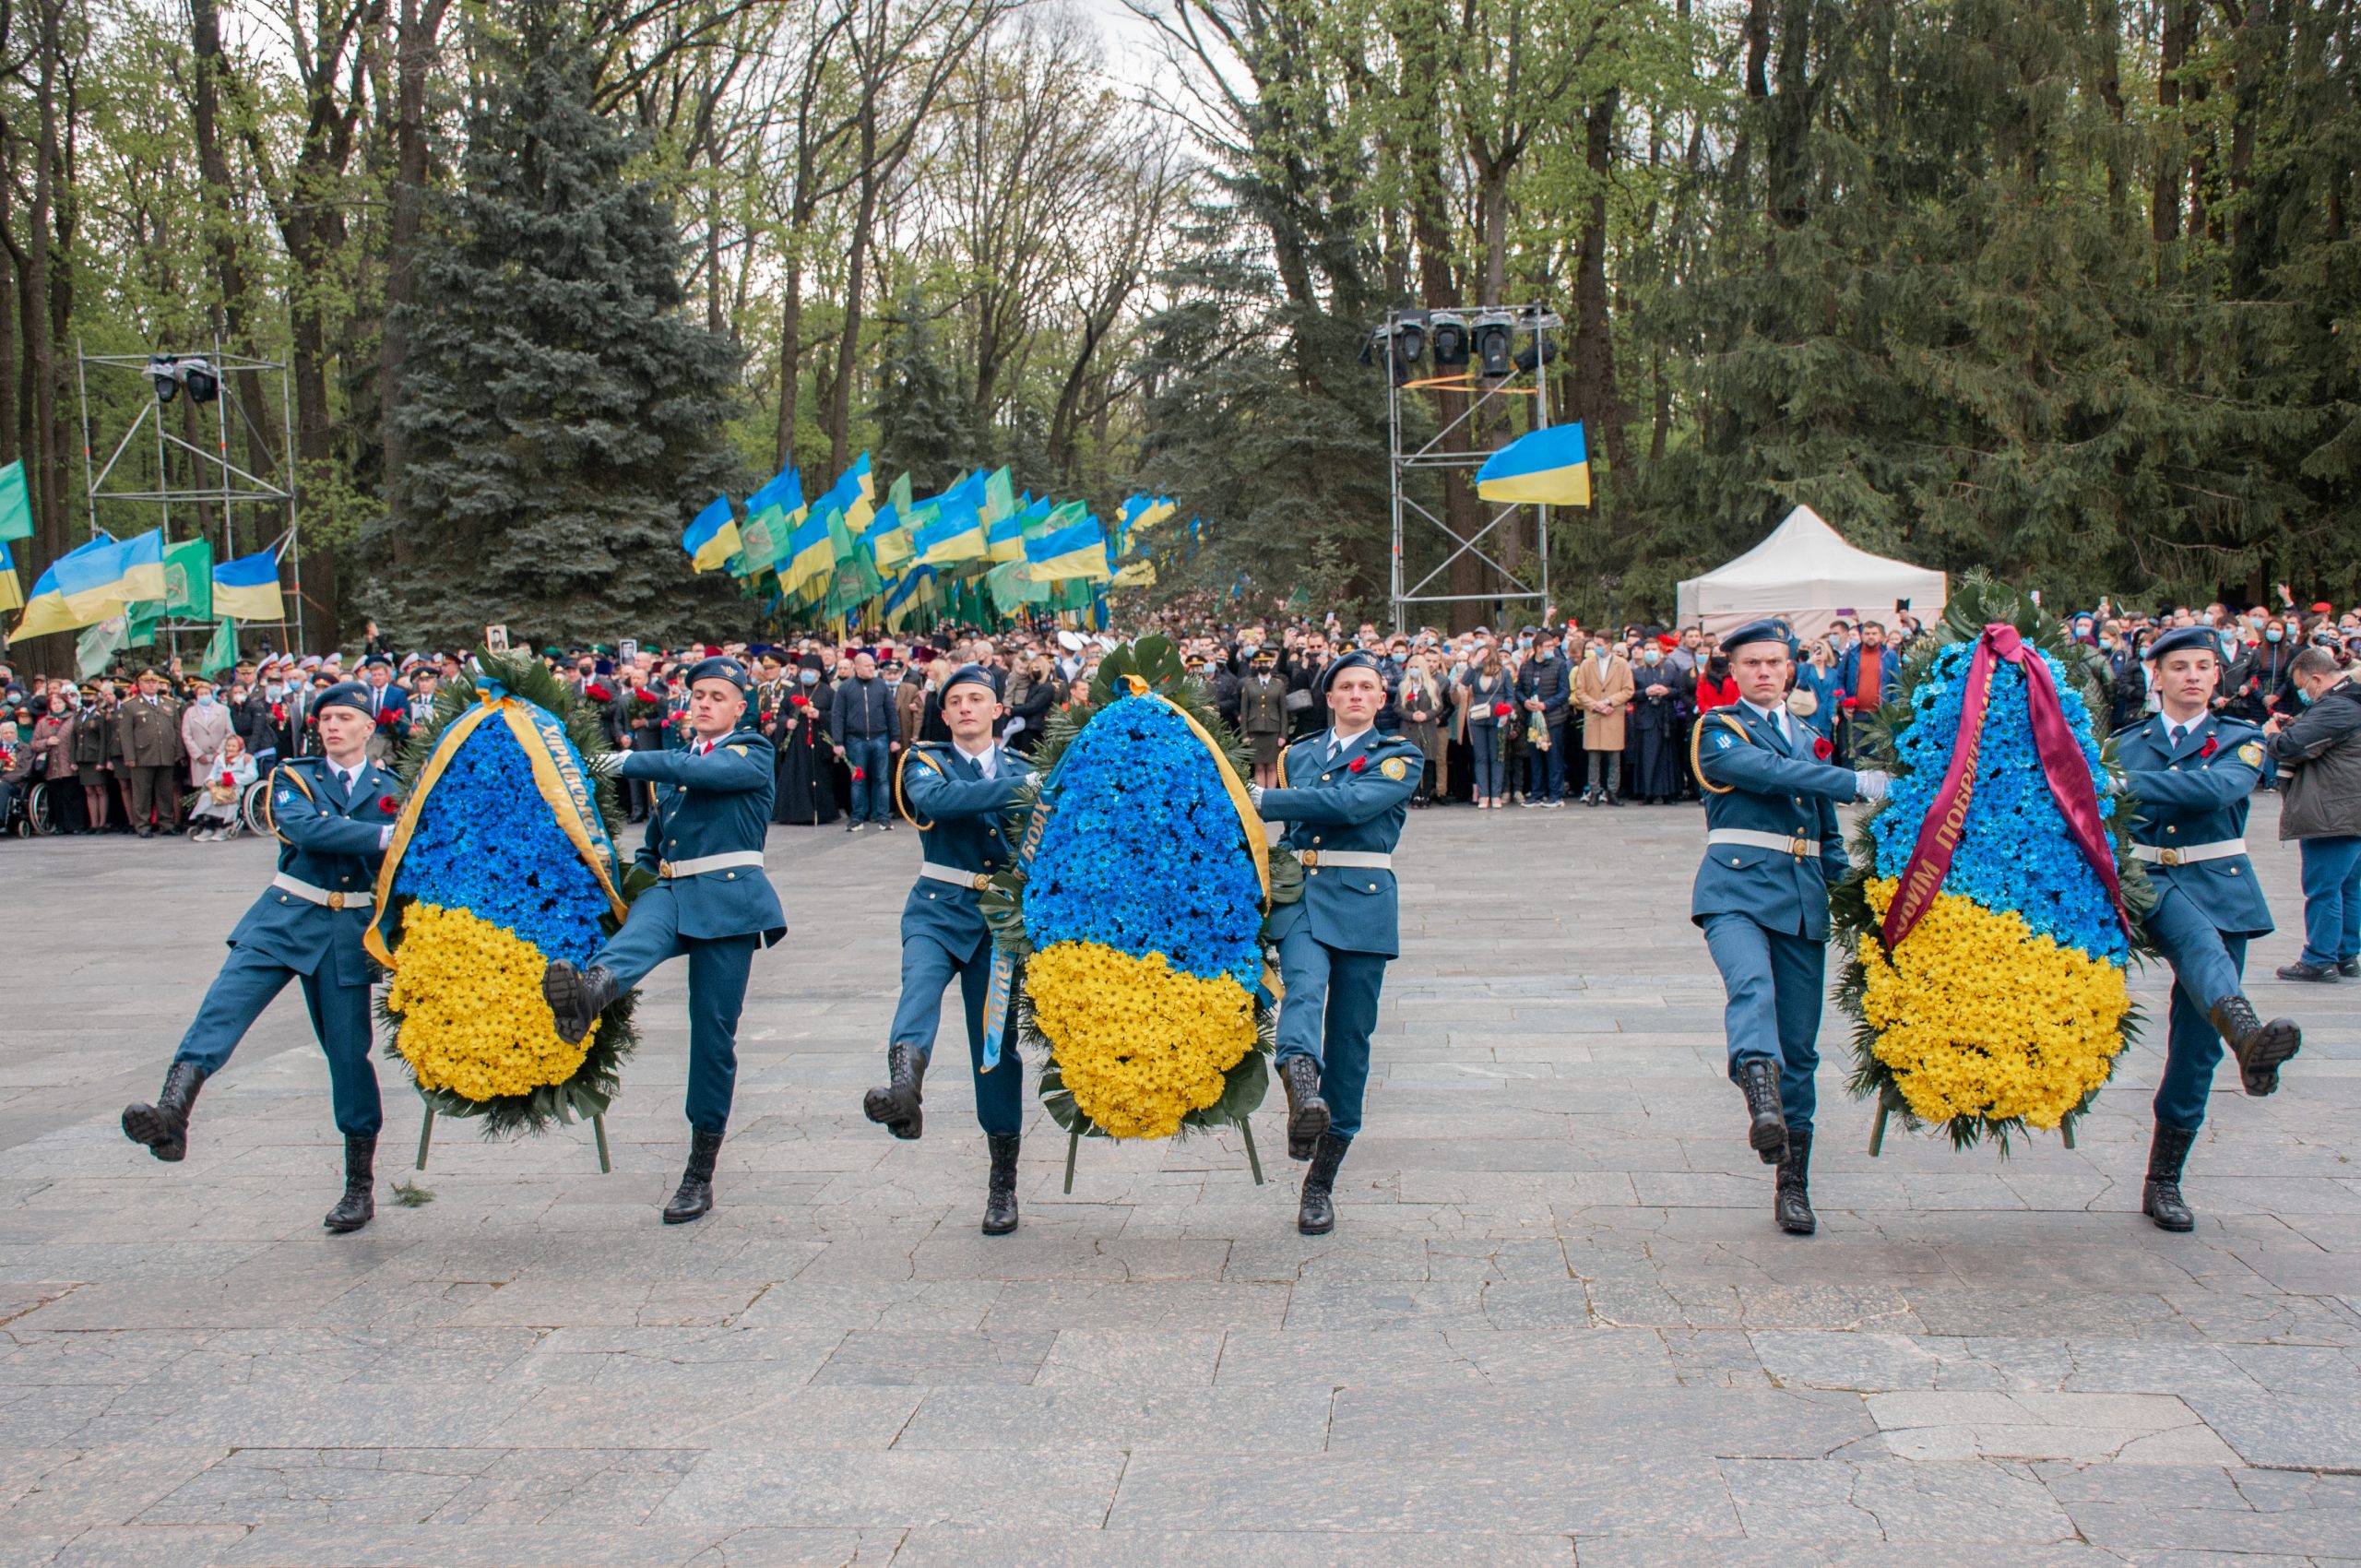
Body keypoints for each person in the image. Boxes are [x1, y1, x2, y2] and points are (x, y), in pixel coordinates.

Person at [121, 683, 403, 1231]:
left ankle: (359, 1186)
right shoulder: (295, 777)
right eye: (325, 718)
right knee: (225, 1003)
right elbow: (305, 829)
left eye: (345, 717)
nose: (332, 726)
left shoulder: (393, 787)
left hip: (348, 932)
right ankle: (172, 1113)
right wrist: (389, 834)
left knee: (349, 1056)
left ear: (369, 729)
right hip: (286, 915)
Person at [544, 657, 786, 1224]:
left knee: (713, 1038)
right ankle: (588, 993)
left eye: (717, 696)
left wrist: (620, 759)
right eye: (697, 694)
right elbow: (655, 845)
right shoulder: (677, 770)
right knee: (640, 933)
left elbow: (706, 774)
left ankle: (699, 1171)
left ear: (740, 707)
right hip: (672, 890)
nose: (704, 703)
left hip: (728, 900)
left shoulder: (751, 751)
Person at [1691, 620, 1890, 1237]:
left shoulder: (1808, 735)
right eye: (1752, 663)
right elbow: (1771, 774)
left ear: (1791, 668)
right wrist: (1858, 781)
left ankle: (1792, 1183)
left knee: (1800, 1048)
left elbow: (1826, 836)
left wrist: (1865, 905)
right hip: (1736, 891)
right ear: (1734, 672)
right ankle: (1761, 1097)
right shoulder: (1719, 730)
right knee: (1752, 987)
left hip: (1801, 900)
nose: (1765, 672)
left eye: (1775, 662)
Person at [2110, 625, 2303, 1232]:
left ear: (2218, 677)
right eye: (2179, 667)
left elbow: (2218, 790)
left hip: (2217, 884)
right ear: (2157, 677)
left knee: (2194, 1049)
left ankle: (2164, 1180)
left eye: (2203, 666)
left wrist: (2121, 783)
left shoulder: (2241, 739)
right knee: (2197, 938)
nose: (2192, 676)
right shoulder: (2126, 742)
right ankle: (2245, 1033)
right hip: (2146, 886)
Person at [1247, 652, 1422, 1235]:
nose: (1354, 694)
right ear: (1329, 697)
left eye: (1365, 687)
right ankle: (1301, 1090)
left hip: (1365, 900)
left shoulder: (1399, 756)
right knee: (1303, 985)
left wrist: (1261, 799)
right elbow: (1297, 832)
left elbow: (1351, 805)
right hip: (1301, 895)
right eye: (1344, 686)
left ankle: (1320, 1180)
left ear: (1381, 698)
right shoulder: (1299, 753)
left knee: (1350, 1039)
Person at [862, 665, 1036, 1234]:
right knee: (919, 986)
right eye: (956, 700)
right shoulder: (924, 761)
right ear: (945, 715)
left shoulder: (1024, 767)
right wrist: (1031, 790)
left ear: (997, 711)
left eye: (977, 699)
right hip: (937, 907)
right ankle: (904, 1087)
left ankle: (1002, 1182)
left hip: (998, 925)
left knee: (995, 1047)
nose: (965, 708)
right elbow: (939, 801)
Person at [2263, 646, 2361, 982]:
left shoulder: (2338, 706)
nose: (2305, 694)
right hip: (2349, 811)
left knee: (2323, 888)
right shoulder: (2352, 701)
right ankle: (2345, 954)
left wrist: (2274, 734)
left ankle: (2319, 958)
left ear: (2317, 678)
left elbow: (2289, 747)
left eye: (2304, 687)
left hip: (2331, 813)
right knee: (2348, 886)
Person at [832, 648, 902, 827]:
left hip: (880, 738)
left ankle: (883, 815)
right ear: (856, 667)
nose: (872, 668)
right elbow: (838, 715)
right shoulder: (845, 688)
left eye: (873, 665)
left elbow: (890, 713)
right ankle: (857, 816)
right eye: (868, 665)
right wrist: (838, 742)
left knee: (882, 779)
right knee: (857, 780)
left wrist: (895, 738)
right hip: (855, 740)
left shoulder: (881, 686)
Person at [116, 668, 184, 836]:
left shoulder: (169, 704)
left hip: (165, 753)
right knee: (142, 793)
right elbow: (126, 734)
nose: (152, 685)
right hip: (142, 755)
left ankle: (166, 823)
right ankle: (142, 825)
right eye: (147, 681)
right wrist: (130, 756)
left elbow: (176, 729)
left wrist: (179, 752)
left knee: (165, 791)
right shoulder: (130, 706)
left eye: (154, 681)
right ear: (139, 684)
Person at [1516, 627, 1572, 806]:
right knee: (1535, 757)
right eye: (1547, 646)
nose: (1551, 648)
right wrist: (1525, 702)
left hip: (1553, 719)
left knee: (1553, 756)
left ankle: (1555, 794)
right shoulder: (1526, 666)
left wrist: (1546, 705)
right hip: (1532, 720)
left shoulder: (1559, 665)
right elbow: (1519, 691)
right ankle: (1537, 792)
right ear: (1538, 648)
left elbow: (1564, 692)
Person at [1575, 635, 1634, 805]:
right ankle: (1594, 791)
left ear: (1609, 645)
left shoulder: (1621, 664)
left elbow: (1628, 690)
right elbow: (1580, 691)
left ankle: (1612, 791)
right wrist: (1595, 705)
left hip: (1613, 713)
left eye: (1600, 645)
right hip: (1594, 714)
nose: (1597, 648)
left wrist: (1610, 701)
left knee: (1614, 757)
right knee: (1593, 757)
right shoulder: (1587, 664)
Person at [1629, 638, 1688, 803]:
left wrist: (1667, 691)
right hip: (1646, 718)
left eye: (1653, 649)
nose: (1650, 652)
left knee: (1667, 758)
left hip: (1666, 719)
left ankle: (1669, 792)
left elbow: (1679, 691)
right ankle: (1648, 792)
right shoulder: (1637, 672)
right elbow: (1631, 694)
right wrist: (1645, 692)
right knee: (1648, 757)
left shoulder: (1670, 670)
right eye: (1647, 649)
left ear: (1661, 652)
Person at [1461, 646, 1514, 809]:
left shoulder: (1503, 673)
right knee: (1481, 757)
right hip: (1478, 718)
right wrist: (1474, 663)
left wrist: (1506, 712)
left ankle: (1496, 794)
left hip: (1497, 719)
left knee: (1497, 757)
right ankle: (1484, 795)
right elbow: (1464, 682)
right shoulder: (1475, 672)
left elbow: (1510, 696)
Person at [1395, 652, 1446, 806]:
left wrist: (1426, 715)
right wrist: (1411, 715)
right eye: (1411, 667)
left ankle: (1426, 794)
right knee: (1411, 762)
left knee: (1428, 760)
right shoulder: (1404, 686)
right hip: (1409, 728)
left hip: (1427, 727)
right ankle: (1415, 794)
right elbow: (1397, 707)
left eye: (1416, 667)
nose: (1413, 670)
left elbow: (1438, 706)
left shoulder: (1432, 685)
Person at [188, 734, 259, 842]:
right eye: (228, 746)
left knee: (226, 798)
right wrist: (209, 781)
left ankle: (222, 826)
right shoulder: (220, 758)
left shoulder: (246, 759)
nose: (230, 748)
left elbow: (252, 775)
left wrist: (234, 780)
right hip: (219, 786)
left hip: (234, 787)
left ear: (239, 747)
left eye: (233, 746)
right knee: (206, 796)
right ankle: (208, 826)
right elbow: (213, 773)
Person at [1239, 647, 1291, 788]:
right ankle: (1261, 798)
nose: (1263, 665)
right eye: (1260, 662)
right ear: (1255, 664)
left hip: (1274, 731)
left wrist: (1283, 734)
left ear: (1271, 663)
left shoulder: (1278, 684)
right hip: (1254, 729)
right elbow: (1244, 710)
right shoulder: (1249, 684)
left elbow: (1283, 711)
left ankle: (1271, 797)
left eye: (1266, 662)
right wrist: (1244, 734)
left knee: (1273, 766)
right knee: (1259, 767)